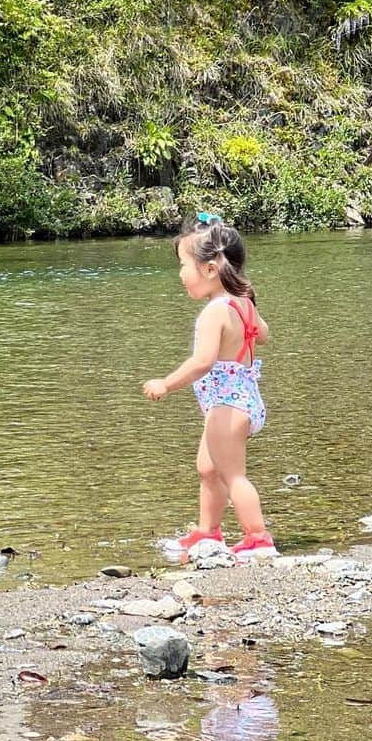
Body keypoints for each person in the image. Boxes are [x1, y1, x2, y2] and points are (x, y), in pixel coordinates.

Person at [142, 212, 277, 561]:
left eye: (183, 264)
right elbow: (263, 335)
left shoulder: (214, 312)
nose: (180, 274)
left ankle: (257, 539)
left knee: (234, 476)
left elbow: (202, 363)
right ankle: (208, 532)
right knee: (207, 468)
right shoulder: (243, 304)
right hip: (241, 401)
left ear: (210, 269)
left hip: (227, 406)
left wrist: (165, 384)